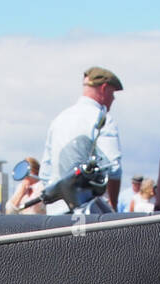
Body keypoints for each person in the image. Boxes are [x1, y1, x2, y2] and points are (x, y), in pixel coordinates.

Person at [40, 67, 123, 213]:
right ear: (104, 88)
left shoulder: (59, 120)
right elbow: (114, 168)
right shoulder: (102, 119)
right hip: (88, 214)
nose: (113, 99)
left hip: (55, 215)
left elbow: (45, 172)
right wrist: (113, 205)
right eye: (112, 92)